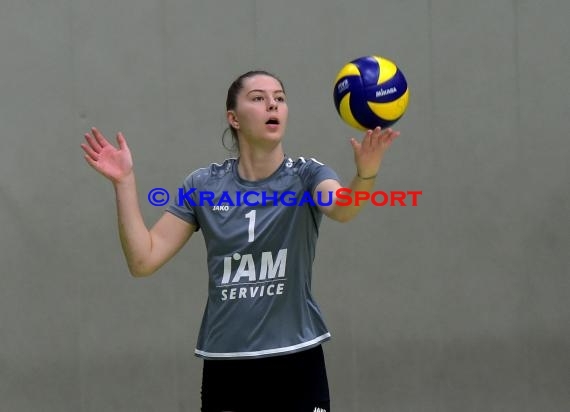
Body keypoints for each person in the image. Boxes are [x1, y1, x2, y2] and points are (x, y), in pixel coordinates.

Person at [81, 70, 399, 412]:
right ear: (233, 118)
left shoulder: (307, 175)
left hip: (296, 360)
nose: (272, 104)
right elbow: (143, 260)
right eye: (258, 98)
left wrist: (366, 173)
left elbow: (342, 208)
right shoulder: (202, 186)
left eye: (279, 97)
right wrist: (124, 183)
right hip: (227, 364)